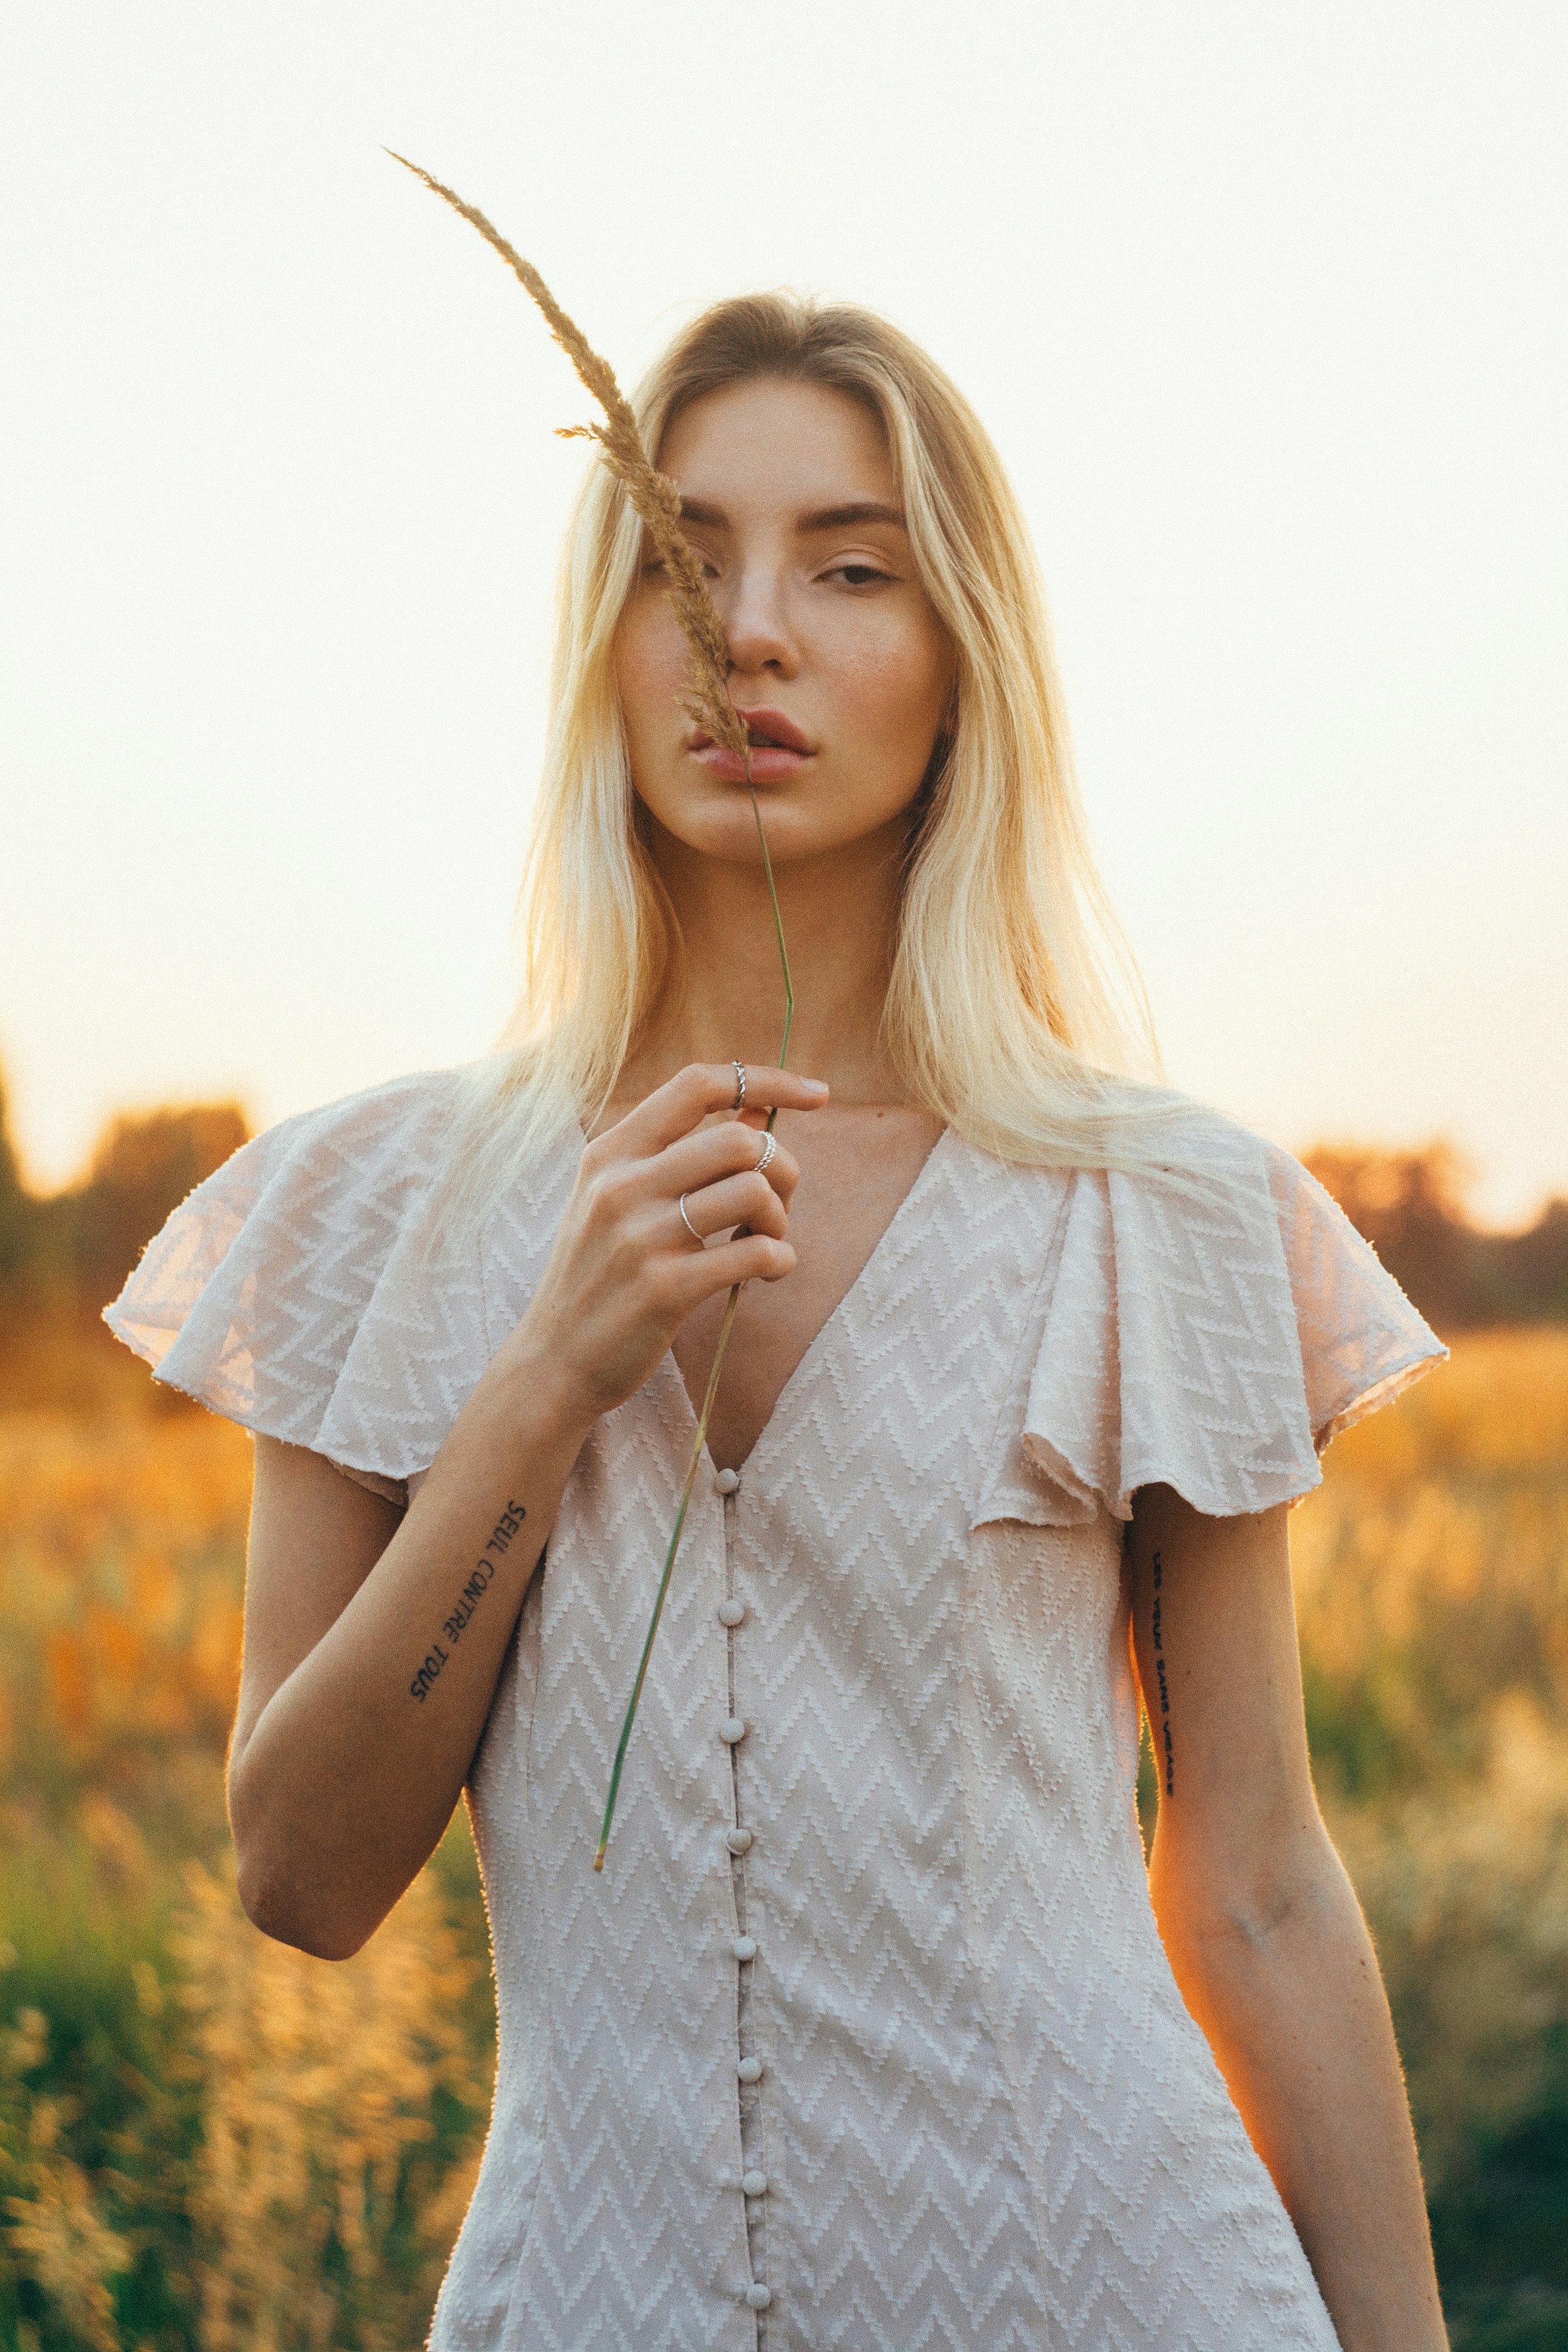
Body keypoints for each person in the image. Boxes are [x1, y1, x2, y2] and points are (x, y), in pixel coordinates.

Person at [108, 293, 1451, 2351]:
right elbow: (302, 1878)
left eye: (850, 567)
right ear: (602, 644)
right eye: (680, 563)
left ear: (960, 660)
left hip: (1114, 2287)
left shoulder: (1157, 1207)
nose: (750, 632)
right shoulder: (369, 1208)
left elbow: (1254, 1876)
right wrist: (546, 1377)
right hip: (590, 2299)